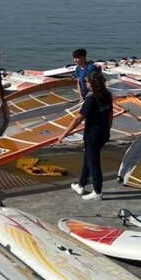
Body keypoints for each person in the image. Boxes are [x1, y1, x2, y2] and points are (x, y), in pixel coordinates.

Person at [60, 69, 114, 200]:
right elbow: (110, 115)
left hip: (92, 135)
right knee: (88, 158)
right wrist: (107, 130)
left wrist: (63, 134)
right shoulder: (107, 95)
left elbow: (78, 119)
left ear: (91, 83)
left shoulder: (91, 99)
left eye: (86, 81)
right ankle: (81, 185)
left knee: (93, 161)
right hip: (103, 133)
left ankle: (97, 191)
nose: (85, 83)